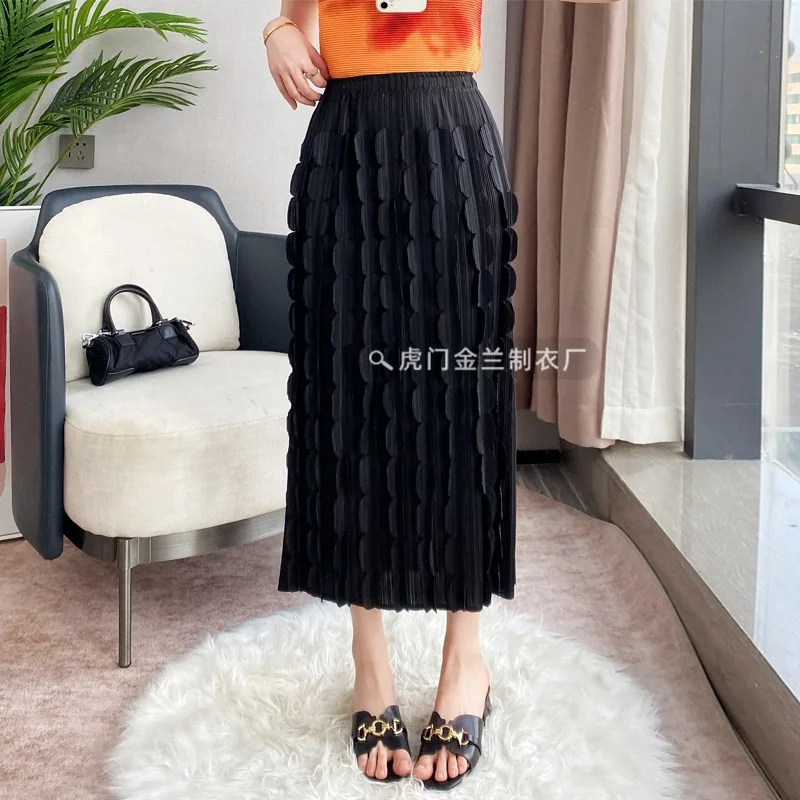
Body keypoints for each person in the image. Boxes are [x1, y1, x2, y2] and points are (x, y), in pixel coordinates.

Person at [264, 0, 517, 789]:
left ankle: (465, 661)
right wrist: (279, 32)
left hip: (452, 136)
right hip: (347, 146)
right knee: (349, 400)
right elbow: (295, 15)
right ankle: (368, 661)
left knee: (464, 406)